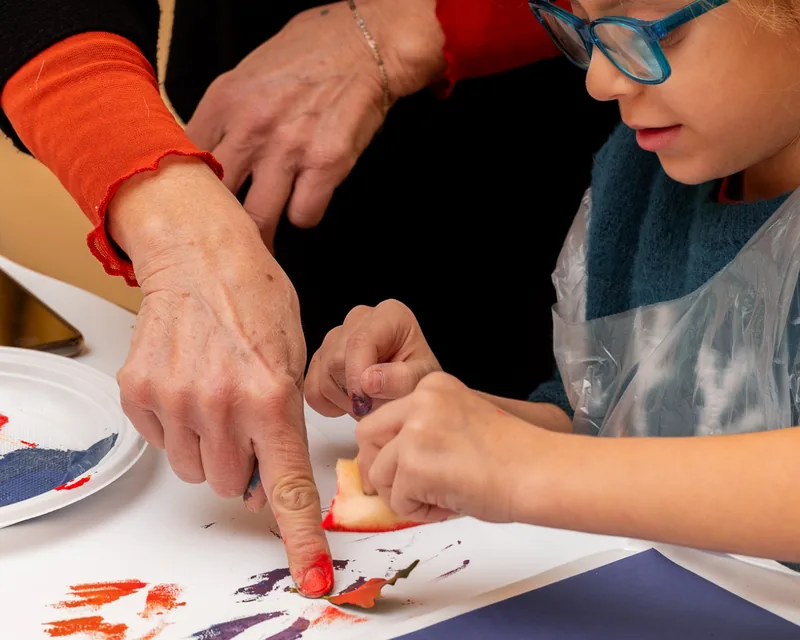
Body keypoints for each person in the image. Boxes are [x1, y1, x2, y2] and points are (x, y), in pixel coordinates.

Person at [0, 0, 618, 595]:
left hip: (521, 196)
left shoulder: (630, 157)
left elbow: (622, 426)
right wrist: (179, 227)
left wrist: (427, 22)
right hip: (274, 166)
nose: (605, 77)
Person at [305, 0, 800, 566]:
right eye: (586, 29)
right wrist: (449, 422)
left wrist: (523, 469)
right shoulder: (639, 180)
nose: (599, 81)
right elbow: (602, 426)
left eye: (644, 31)